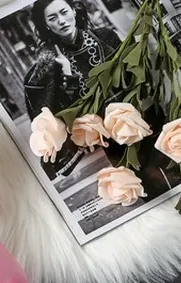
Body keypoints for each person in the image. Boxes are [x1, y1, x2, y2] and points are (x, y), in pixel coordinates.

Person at [23, 0, 121, 175]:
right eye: (52, 18)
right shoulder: (49, 62)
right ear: (46, 25)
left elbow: (130, 76)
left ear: (74, 11)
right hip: (100, 138)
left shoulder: (105, 37)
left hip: (130, 118)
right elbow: (63, 111)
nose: (61, 21)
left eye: (64, 12)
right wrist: (68, 75)